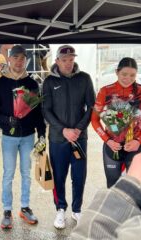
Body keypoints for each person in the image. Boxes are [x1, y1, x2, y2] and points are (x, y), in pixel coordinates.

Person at [0, 45, 46, 229]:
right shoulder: (0, 84)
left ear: (25, 61)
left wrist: (42, 134)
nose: (19, 61)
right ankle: (7, 210)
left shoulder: (31, 83)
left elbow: (37, 111)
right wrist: (6, 120)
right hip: (9, 137)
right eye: (15, 58)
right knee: (8, 175)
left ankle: (25, 207)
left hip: (28, 136)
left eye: (22, 58)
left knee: (26, 174)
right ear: (9, 59)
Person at [42, 45, 95, 229]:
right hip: (58, 138)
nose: (68, 63)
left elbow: (91, 107)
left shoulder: (85, 79)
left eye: (71, 59)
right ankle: (60, 209)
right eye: (64, 60)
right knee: (58, 175)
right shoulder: (49, 81)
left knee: (79, 175)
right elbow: (46, 110)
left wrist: (79, 130)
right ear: (57, 61)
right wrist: (64, 130)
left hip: (79, 138)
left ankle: (77, 209)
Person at [91, 57, 141, 188]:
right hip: (112, 146)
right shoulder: (105, 91)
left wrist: (139, 141)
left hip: (136, 146)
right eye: (124, 74)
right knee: (112, 186)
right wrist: (108, 140)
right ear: (117, 72)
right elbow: (95, 120)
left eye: (132, 75)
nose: (128, 78)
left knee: (136, 188)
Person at [70, 153, 141, 239]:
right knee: (112, 183)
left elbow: (87, 234)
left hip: (133, 152)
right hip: (112, 150)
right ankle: (65, 209)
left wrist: (130, 187)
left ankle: (74, 209)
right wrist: (108, 141)